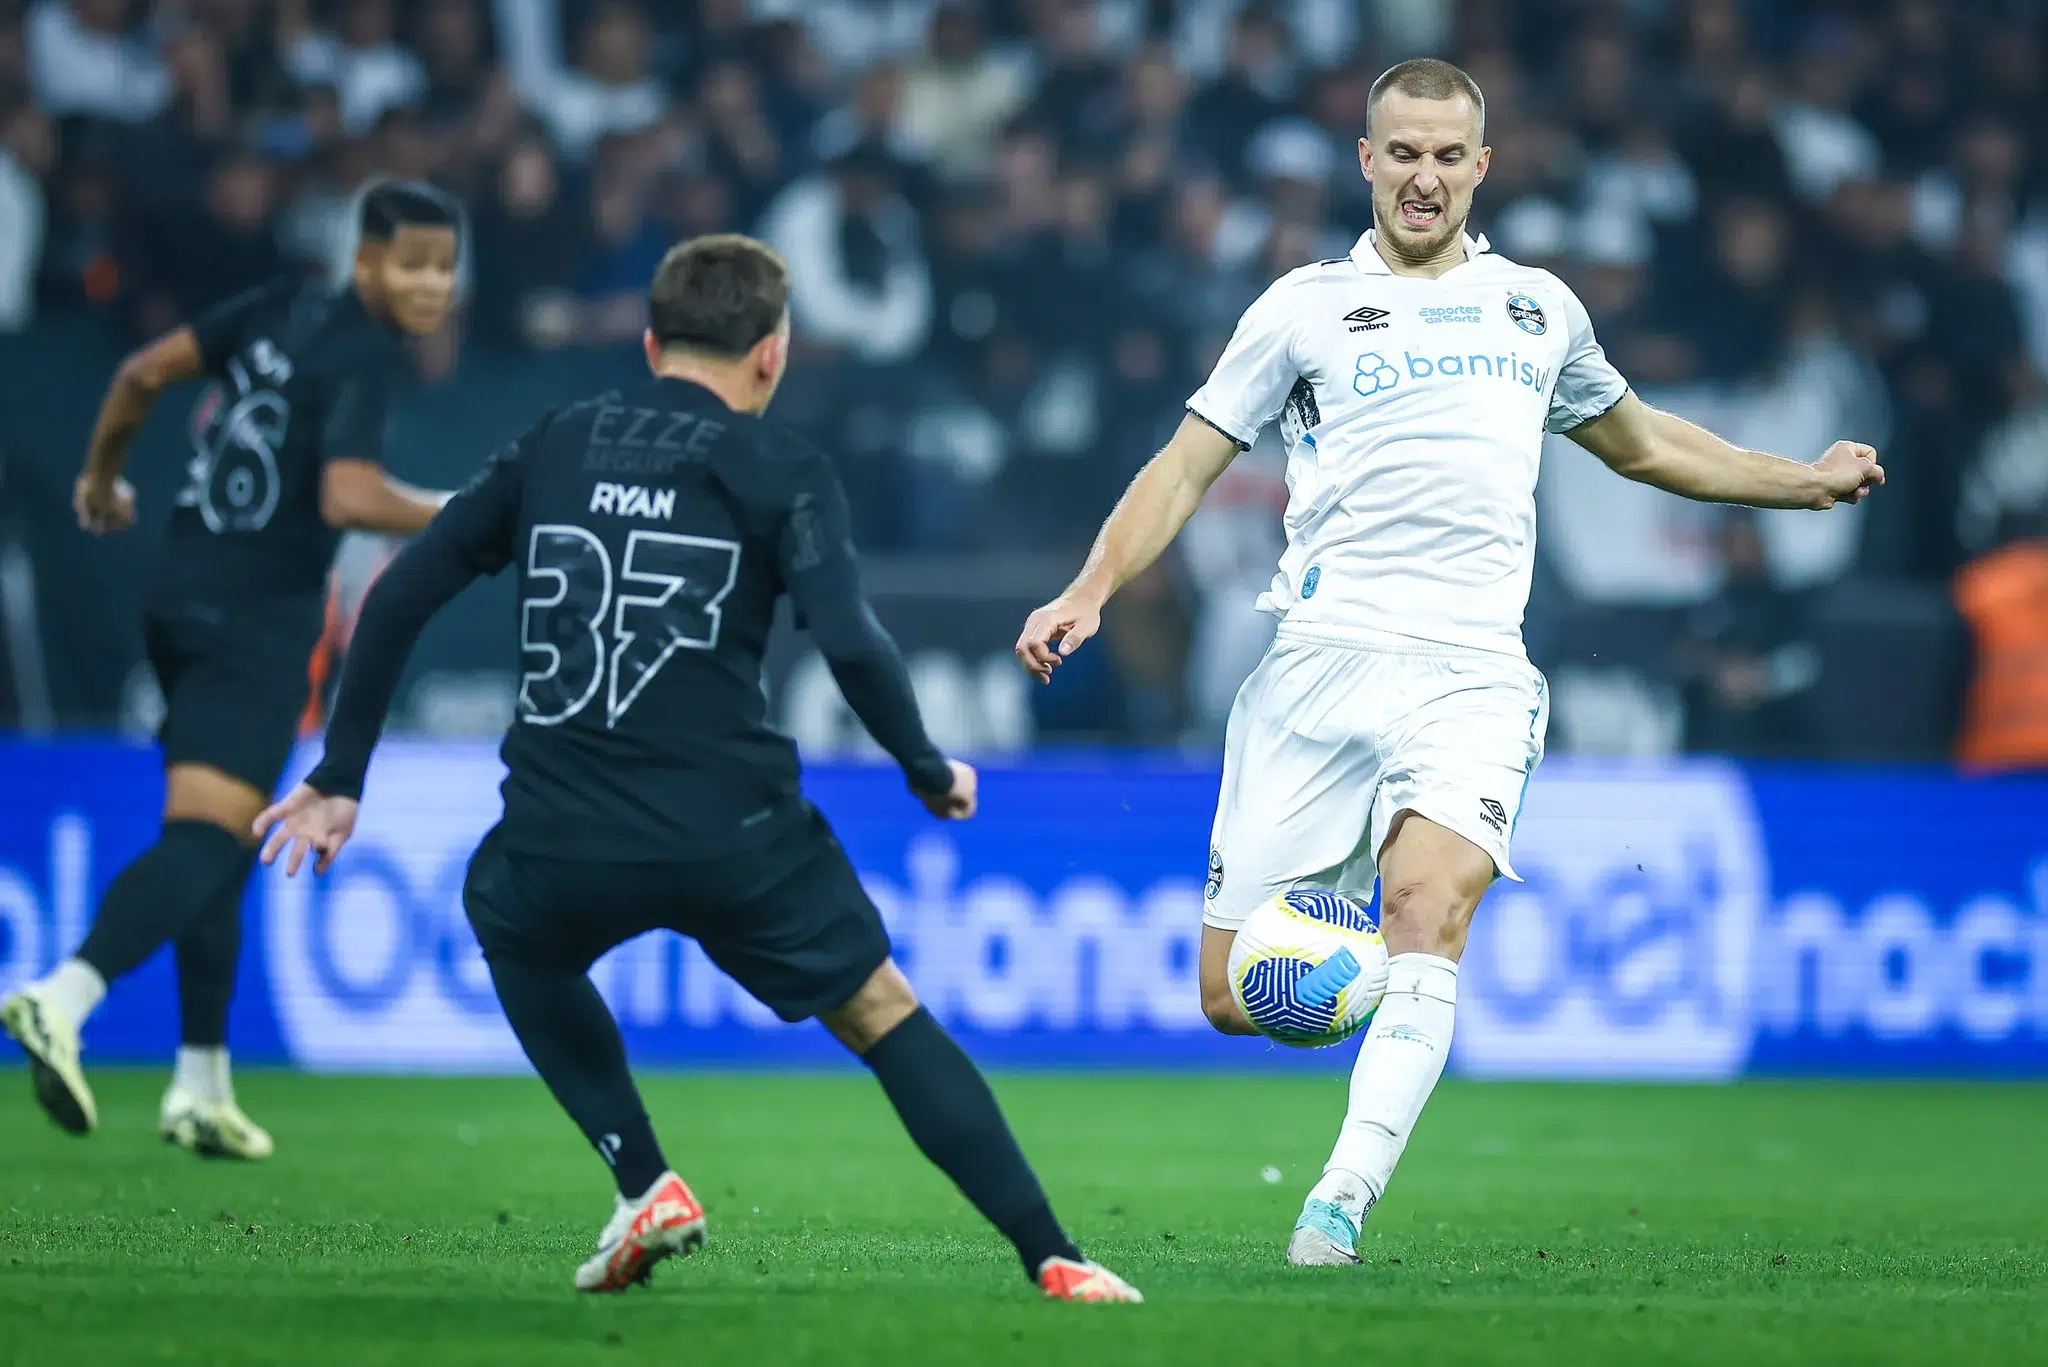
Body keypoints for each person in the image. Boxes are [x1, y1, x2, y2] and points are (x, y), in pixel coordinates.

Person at [1014, 58, 1884, 1268]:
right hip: (1317, 664)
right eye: (1401, 153)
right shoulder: (1299, 307)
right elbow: (1181, 467)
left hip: (1471, 667)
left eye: (1445, 156)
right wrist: (1088, 587)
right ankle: (1369, 991)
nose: (1423, 177)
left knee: (1428, 906)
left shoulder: (1538, 308)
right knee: (1229, 991)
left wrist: (1802, 480)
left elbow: (1639, 443)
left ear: (1480, 166)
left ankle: (1338, 1201)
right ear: (1363, 160)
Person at [248, 234, 1141, 1303]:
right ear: (771, 354)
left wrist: (342, 770)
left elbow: (399, 593)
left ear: (647, 339)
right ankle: (1053, 1254)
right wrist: (920, 764)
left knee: (508, 923)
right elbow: (847, 638)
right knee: (880, 1009)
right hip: (730, 822)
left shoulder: (556, 439)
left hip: (561, 818)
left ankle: (642, 1178)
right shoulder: (781, 466)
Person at [2, 180, 463, 1160]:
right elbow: (346, 492)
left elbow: (139, 373)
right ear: (367, 259)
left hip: (178, 592)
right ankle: (63, 993)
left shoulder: (276, 307)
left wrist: (100, 476)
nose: (430, 284)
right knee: (212, 843)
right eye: (413, 262)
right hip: (255, 621)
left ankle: (201, 1082)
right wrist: (469, 512)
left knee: (215, 830)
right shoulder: (360, 349)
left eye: (444, 266)